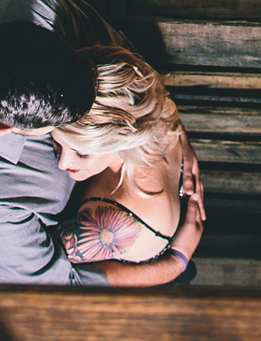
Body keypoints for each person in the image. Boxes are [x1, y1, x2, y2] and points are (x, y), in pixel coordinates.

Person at [0, 0, 195, 285]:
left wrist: (167, 128)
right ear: (10, 128)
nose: (64, 161)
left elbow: (125, 66)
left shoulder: (33, 4)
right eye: (57, 136)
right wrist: (174, 265)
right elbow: (60, 286)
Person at [52, 45, 205, 285]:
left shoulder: (111, 223)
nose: (63, 163)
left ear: (123, 139)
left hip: (148, 279)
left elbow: (43, 272)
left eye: (81, 154)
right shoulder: (152, 109)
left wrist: (177, 262)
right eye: (57, 144)